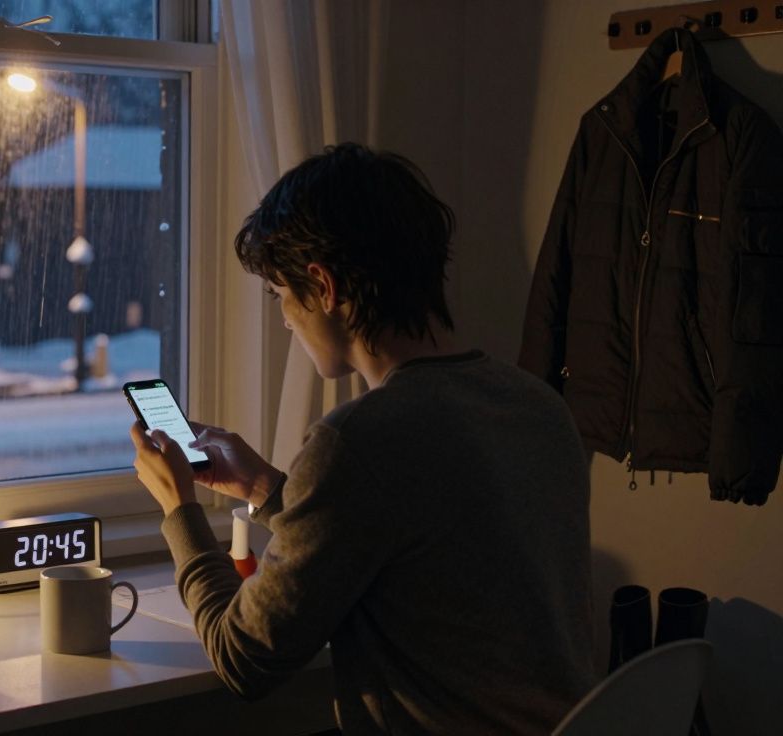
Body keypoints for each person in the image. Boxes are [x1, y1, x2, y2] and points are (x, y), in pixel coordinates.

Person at [130, 143, 595, 734]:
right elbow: (409, 539)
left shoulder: (357, 441)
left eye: (281, 295)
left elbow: (242, 660)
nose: (283, 320)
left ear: (323, 287)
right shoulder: (536, 405)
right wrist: (266, 488)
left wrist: (180, 509)